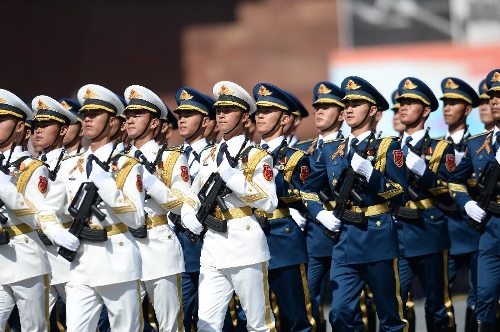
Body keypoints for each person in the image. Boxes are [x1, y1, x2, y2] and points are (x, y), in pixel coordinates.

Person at [301, 76, 407, 331]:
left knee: (389, 317)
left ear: (373, 112)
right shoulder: (332, 149)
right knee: (339, 313)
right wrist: (320, 214)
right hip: (344, 241)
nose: (348, 108)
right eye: (346, 103)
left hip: (378, 236)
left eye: (356, 104)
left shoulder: (387, 147)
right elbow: (308, 188)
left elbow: (401, 194)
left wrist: (372, 175)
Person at [36, 83, 145, 331]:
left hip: (117, 263)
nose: (87, 119)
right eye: (85, 114)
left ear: (113, 122)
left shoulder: (127, 165)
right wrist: (56, 233)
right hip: (80, 266)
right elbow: (45, 211)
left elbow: (137, 219)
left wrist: (107, 186)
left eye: (95, 114)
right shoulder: (69, 165)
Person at [180, 80, 277, 332]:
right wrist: (188, 211)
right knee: (206, 323)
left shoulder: (257, 155)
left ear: (245, 117)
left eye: (228, 110)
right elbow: (194, 193)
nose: (220, 115)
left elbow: (269, 201)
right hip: (213, 247)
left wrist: (236, 180)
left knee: (259, 323)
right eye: (218, 110)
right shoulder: (208, 155)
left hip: (246, 246)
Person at [124, 84, 189, 331]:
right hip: (125, 246)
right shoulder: (118, 160)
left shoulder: (171, 158)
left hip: (158, 245)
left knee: (169, 323)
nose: (130, 120)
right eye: (128, 115)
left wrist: (150, 181)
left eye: (137, 115)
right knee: (126, 323)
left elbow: (181, 204)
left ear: (153, 123)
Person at [394, 77, 456, 332]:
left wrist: (425, 173)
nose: (404, 107)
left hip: (428, 231)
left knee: (437, 306)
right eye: (402, 102)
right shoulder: (388, 147)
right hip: (396, 235)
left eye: (412, 102)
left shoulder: (441, 148)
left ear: (427, 110)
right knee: (396, 303)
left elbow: (452, 194)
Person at [253, 82, 315, 332]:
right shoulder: (247, 155)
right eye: (258, 111)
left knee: (295, 318)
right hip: (249, 242)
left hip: (283, 239)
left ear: (285, 119)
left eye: (267, 111)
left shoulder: (295, 157)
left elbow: (307, 196)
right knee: (258, 320)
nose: (260, 116)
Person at [448, 68, 500, 331]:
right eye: (492, 96)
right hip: (491, 234)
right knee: (485, 296)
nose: (494, 101)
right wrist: (467, 203)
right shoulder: (479, 145)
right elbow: (455, 180)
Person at [0, 89, 51, 330]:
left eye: (2, 120)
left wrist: (6, 191)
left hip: (24, 260)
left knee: (34, 327)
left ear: (20, 127)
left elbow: (38, 216)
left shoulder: (33, 168)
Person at [300, 81, 345, 332]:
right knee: (309, 305)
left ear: (340, 114)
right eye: (317, 106)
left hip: (347, 234)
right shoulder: (303, 150)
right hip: (315, 236)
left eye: (326, 107)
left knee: (348, 308)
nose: (319, 111)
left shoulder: (351, 148)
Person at [32, 95, 79, 331]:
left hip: (64, 253)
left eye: (45, 126)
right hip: (36, 254)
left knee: (78, 320)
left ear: (63, 130)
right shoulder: (28, 165)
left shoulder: (73, 165)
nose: (38, 131)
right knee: (37, 321)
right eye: (36, 126)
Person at [439, 77, 481, 332]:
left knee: (480, 296)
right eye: (445, 102)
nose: (447, 107)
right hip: (445, 229)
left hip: (475, 228)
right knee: (442, 297)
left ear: (467, 110)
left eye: (453, 103)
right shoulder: (430, 146)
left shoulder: (477, 145)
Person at [173, 86, 215, 331]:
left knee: (215, 318)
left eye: (189, 115)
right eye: (180, 115)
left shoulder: (215, 155)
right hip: (180, 246)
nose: (182, 120)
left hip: (210, 243)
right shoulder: (171, 157)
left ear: (205, 121)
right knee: (182, 316)